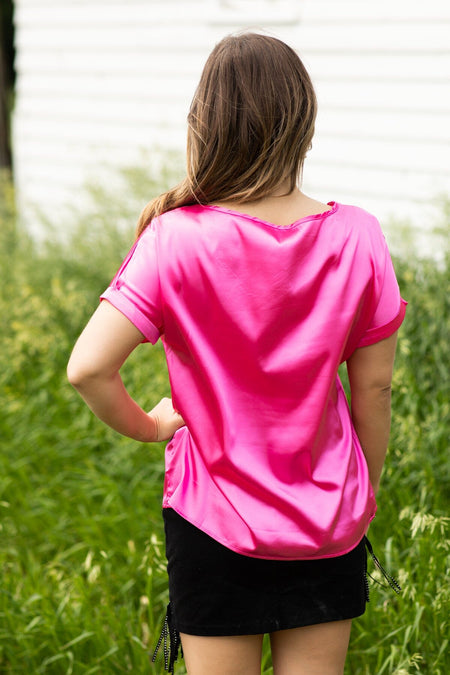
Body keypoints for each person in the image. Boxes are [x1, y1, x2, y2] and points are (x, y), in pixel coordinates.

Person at [67, 32, 406, 675]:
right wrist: (363, 491)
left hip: (210, 518)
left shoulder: (174, 239)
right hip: (328, 518)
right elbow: (375, 391)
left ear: (206, 122)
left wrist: (151, 425)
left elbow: (87, 368)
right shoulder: (358, 236)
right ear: (303, 122)